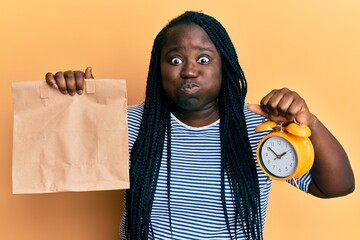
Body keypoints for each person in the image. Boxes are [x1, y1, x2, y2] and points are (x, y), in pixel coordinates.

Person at [45, 11, 354, 240]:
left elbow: (336, 186)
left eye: (204, 60)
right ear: (158, 70)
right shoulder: (131, 123)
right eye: (175, 60)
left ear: (226, 68)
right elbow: (61, 159)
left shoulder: (261, 130)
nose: (189, 71)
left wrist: (309, 122)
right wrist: (74, 102)